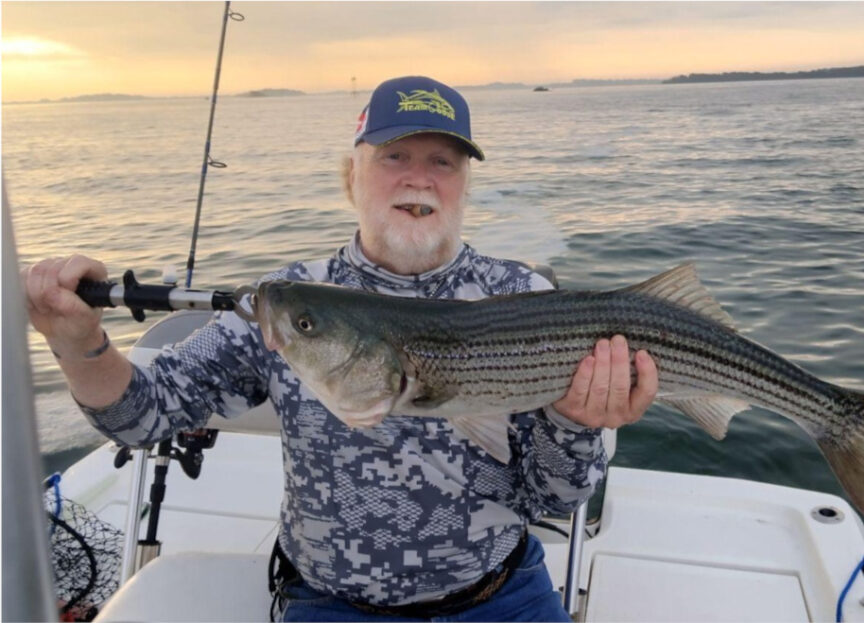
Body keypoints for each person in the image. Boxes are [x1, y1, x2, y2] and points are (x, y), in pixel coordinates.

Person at [22, 75, 659, 622]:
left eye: (444, 161)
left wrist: (574, 424)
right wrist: (77, 343)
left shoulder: (522, 293)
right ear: (350, 175)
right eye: (394, 156)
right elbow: (143, 417)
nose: (420, 177)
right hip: (333, 604)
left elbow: (556, 501)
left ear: (465, 184)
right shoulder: (291, 307)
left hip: (502, 593)